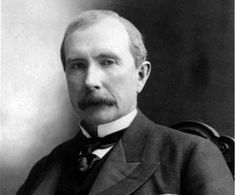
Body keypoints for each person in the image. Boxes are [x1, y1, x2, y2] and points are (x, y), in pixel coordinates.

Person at [17, 10, 233, 195]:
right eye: (77, 65)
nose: (90, 80)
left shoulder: (189, 156)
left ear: (140, 75)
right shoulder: (44, 168)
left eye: (108, 62)